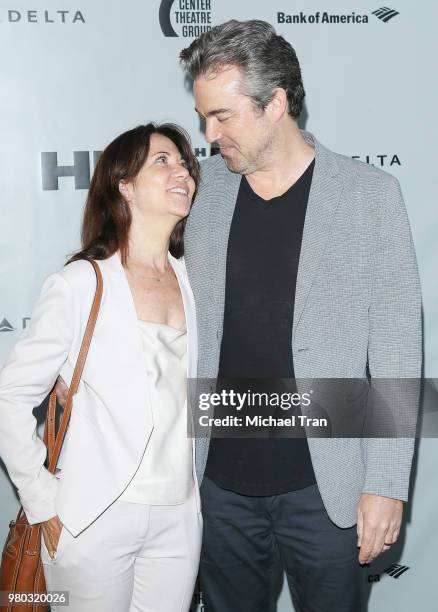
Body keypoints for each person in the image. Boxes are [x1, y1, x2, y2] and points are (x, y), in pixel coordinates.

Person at [179, 20, 422, 612]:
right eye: (203, 117)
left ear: (277, 103)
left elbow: (396, 349)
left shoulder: (370, 196)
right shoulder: (198, 192)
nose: (209, 135)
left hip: (328, 487)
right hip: (217, 486)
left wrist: (385, 485)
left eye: (223, 116)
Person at [0, 123, 202, 612]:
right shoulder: (79, 284)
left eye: (184, 163)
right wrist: (42, 501)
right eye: (162, 161)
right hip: (94, 514)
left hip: (179, 513)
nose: (182, 172)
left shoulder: (194, 277)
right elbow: (10, 398)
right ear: (124, 185)